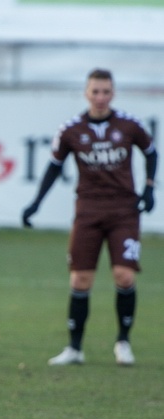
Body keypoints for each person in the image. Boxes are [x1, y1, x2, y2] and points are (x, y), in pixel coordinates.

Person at [22, 68, 157, 367]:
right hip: (88, 211)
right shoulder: (71, 130)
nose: (100, 97)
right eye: (95, 91)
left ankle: (123, 342)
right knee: (81, 279)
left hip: (124, 211)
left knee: (124, 275)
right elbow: (54, 167)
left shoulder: (129, 125)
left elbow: (151, 152)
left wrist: (149, 188)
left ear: (113, 93)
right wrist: (36, 203)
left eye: (105, 91)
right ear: (86, 93)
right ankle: (75, 348)